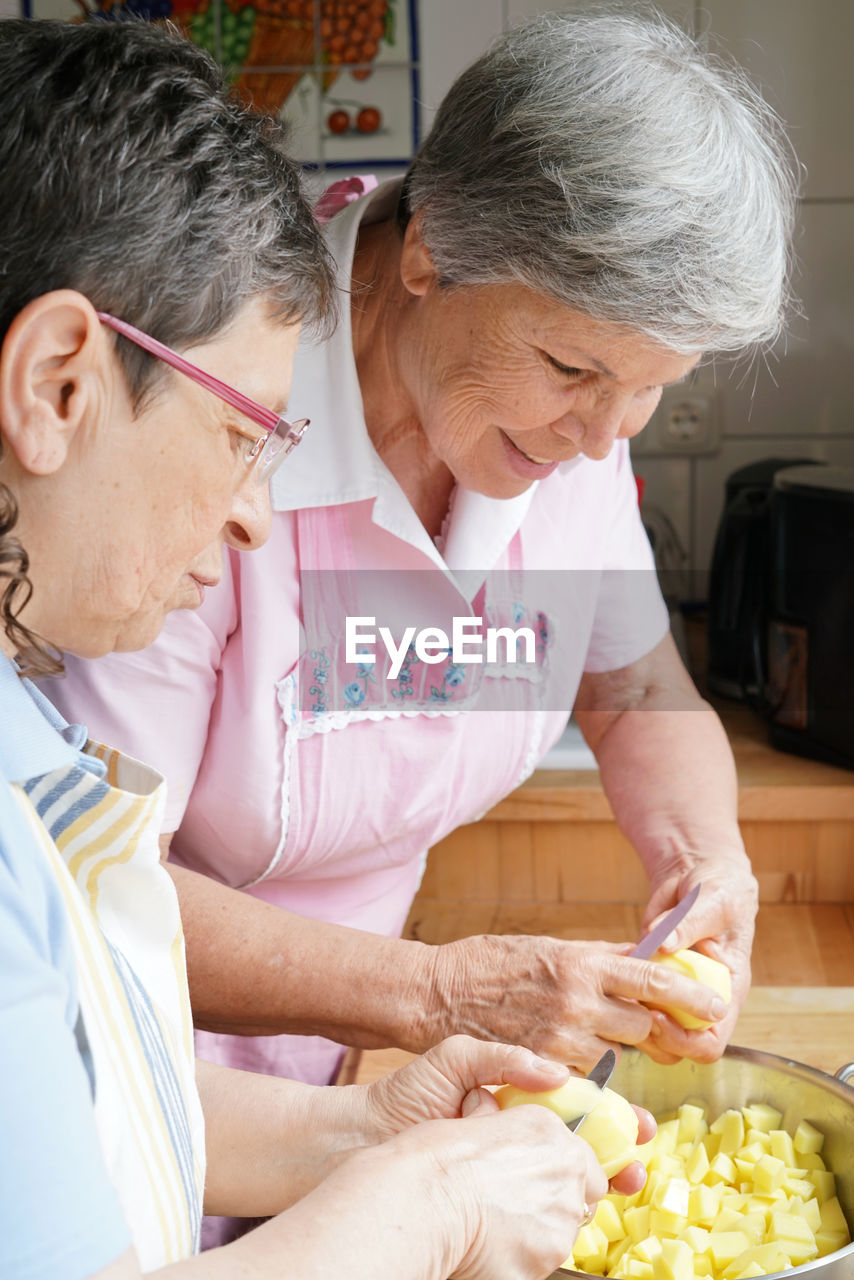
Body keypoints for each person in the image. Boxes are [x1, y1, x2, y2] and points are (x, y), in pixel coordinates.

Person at [51, 5, 796, 1224]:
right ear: (426, 252)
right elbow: (97, 876)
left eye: (653, 389)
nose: (605, 437)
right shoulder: (214, 417)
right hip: (138, 1080)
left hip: (358, 1080)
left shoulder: (567, 437)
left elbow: (636, 691)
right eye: (572, 373)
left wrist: (702, 863)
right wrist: (439, 991)